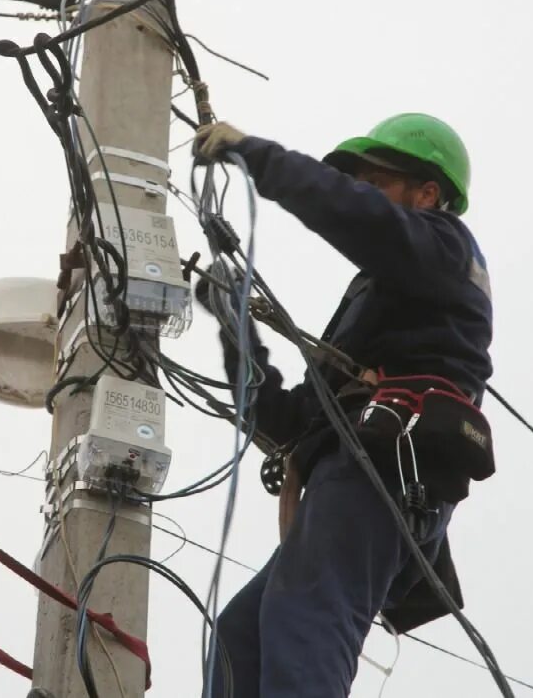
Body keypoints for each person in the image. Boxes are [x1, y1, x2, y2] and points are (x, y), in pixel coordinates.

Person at [193, 114, 494, 698]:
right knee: (241, 639)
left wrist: (257, 155)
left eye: (376, 182)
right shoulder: (384, 304)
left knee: (304, 620)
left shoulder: (444, 249)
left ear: (427, 194)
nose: (362, 193)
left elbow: (357, 215)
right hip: (356, 473)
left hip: (384, 472)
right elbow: (286, 420)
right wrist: (236, 330)